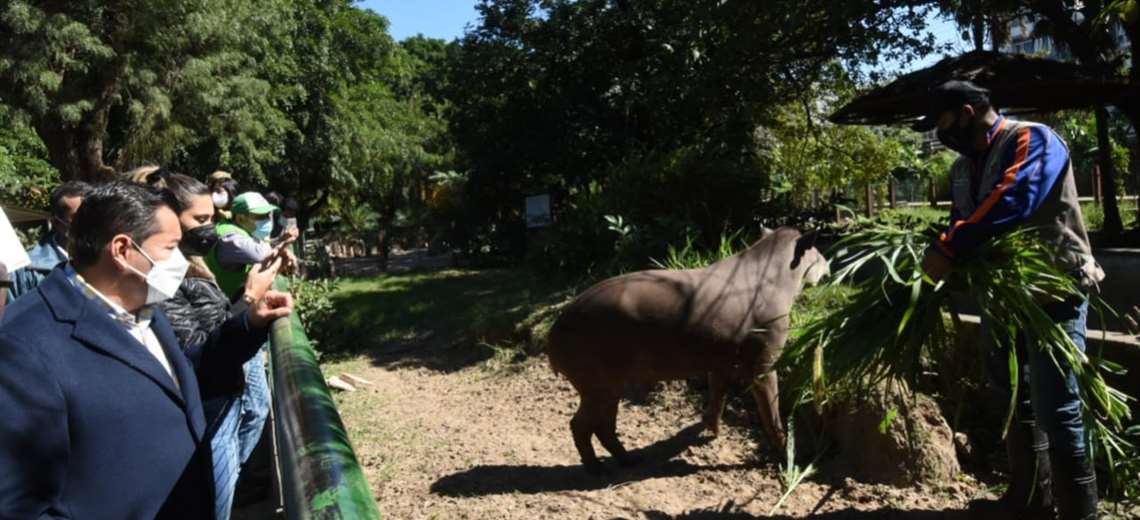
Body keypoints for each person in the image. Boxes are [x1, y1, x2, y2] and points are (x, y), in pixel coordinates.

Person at [0, 181, 293, 519]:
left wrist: (248, 326)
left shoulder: (139, 306)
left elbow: (178, 383)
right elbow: (20, 506)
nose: (179, 262)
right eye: (169, 248)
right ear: (123, 250)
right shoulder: (23, 349)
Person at [915, 80, 1103, 520]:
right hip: (1001, 297)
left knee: (1056, 403)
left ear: (966, 112)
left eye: (942, 122)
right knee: (1011, 395)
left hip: (1052, 289)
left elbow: (1013, 198)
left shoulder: (1032, 138)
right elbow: (962, 219)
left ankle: (1081, 513)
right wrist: (936, 250)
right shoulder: (962, 168)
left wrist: (947, 249)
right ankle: (1029, 500)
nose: (940, 133)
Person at [145, 170, 281, 520]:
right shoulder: (161, 280)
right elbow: (199, 354)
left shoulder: (190, 265)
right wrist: (249, 303)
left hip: (224, 406)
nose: (211, 228)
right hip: (211, 413)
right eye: (201, 219)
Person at [8, 181, 91, 301]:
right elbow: (11, 316)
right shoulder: (27, 271)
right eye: (80, 218)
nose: (90, 224)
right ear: (57, 223)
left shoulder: (111, 260)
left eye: (94, 217)